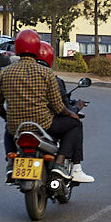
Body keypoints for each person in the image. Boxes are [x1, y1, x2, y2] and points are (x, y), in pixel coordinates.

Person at [0, 29, 84, 182]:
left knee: (8, 128)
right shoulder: (46, 73)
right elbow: (57, 106)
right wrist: (71, 113)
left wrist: (8, 118)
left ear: (17, 47)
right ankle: (60, 163)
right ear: (36, 48)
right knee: (75, 125)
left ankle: (11, 163)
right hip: (44, 124)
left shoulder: (4, 72)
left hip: (16, 126)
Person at [37, 42, 94, 183]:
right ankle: (70, 166)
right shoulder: (52, 79)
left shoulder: (18, 76)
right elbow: (61, 107)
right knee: (75, 123)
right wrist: (76, 109)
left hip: (24, 124)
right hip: (47, 124)